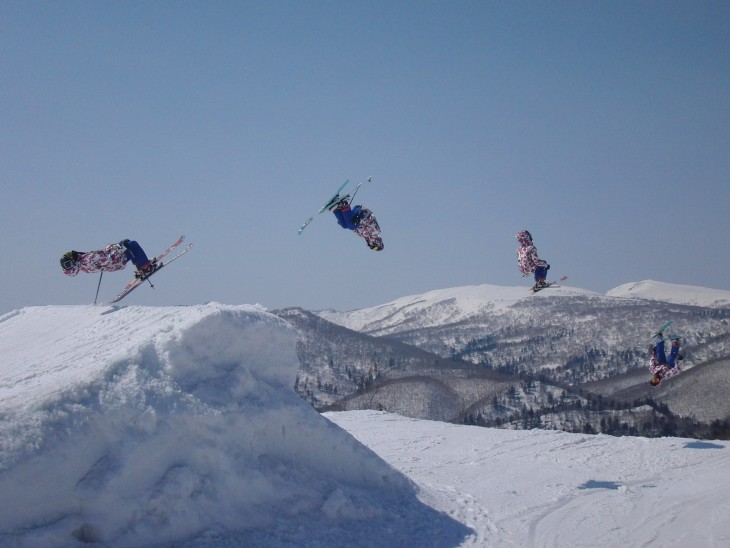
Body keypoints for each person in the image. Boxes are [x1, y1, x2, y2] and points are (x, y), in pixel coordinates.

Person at [60, 239, 155, 278]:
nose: (71, 265)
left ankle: (141, 265)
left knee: (130, 247)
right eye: (68, 265)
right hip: (116, 261)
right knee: (132, 245)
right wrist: (119, 246)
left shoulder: (83, 265)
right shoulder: (87, 260)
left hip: (114, 263)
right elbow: (106, 257)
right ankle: (145, 267)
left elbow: (102, 258)